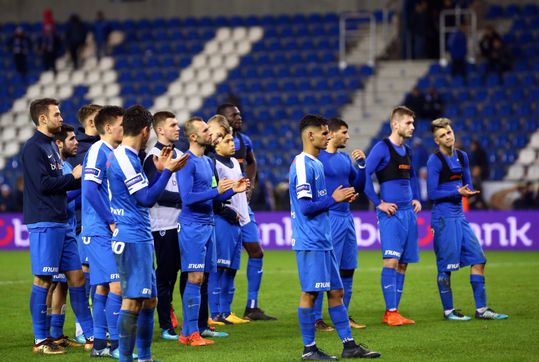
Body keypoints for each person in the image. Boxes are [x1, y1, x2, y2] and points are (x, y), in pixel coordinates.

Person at [289, 114, 380, 360]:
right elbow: (306, 207)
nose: (327, 136)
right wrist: (334, 199)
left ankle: (349, 345)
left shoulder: (317, 163)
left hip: (324, 238)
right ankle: (309, 349)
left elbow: (320, 202)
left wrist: (338, 197)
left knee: (336, 292)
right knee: (310, 293)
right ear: (310, 135)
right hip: (310, 240)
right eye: (324, 132)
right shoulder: (302, 164)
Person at [107, 105, 189, 361]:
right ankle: (127, 358)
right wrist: (167, 172)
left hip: (140, 236)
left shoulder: (127, 155)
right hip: (132, 238)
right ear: (145, 131)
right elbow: (146, 198)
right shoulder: (126, 159)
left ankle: (145, 356)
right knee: (132, 301)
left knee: (149, 300)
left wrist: (161, 171)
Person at [21, 98, 94, 354]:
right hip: (44, 220)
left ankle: (91, 336)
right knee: (43, 279)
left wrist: (81, 179)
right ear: (43, 118)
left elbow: (61, 184)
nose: (61, 118)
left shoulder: (51, 146)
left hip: (62, 222)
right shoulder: (33, 148)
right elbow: (43, 185)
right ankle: (41, 340)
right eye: (57, 114)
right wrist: (71, 177)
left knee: (76, 278)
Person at [177, 117, 248, 346]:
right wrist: (216, 191)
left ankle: (196, 329)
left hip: (209, 224)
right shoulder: (186, 162)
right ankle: (188, 333)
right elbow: (187, 198)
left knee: (204, 278)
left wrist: (231, 192)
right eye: (205, 130)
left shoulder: (207, 163)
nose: (211, 133)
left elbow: (214, 195)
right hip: (192, 226)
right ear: (194, 137)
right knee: (195, 277)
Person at [427, 118, 508, 320]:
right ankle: (449, 311)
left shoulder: (462, 157)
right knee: (446, 267)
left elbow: (468, 185)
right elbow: (432, 194)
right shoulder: (434, 160)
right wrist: (457, 192)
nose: (448, 136)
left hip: (459, 215)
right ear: (437, 141)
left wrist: (468, 192)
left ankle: (481, 309)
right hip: (443, 217)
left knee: (479, 259)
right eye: (443, 135)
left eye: (449, 132)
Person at [217, 103, 276, 321]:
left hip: (244, 206)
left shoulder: (244, 141)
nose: (239, 117)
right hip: (224, 209)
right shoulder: (215, 147)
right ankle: (221, 311)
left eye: (240, 114)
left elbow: (252, 162)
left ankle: (252, 306)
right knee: (224, 264)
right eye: (234, 115)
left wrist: (250, 182)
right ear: (222, 119)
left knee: (256, 252)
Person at [364, 106, 421, 326]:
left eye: (413, 123)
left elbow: (413, 176)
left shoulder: (407, 150)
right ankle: (390, 312)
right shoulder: (382, 148)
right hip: (392, 214)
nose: (413, 127)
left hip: (409, 213)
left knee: (404, 263)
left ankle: (394, 312)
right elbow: (364, 175)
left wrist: (416, 198)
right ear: (395, 124)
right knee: (391, 260)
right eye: (408, 123)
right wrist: (379, 203)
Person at [313, 118, 367, 332]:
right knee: (325, 271)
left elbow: (358, 187)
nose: (348, 136)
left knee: (348, 268)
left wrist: (361, 167)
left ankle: (342, 315)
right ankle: (317, 318)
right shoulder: (318, 159)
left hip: (347, 218)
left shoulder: (345, 159)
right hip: (330, 218)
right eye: (344, 132)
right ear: (332, 134)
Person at [81, 105, 125, 357]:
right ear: (108, 128)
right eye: (121, 125)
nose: (124, 129)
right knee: (117, 285)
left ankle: (99, 345)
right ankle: (117, 344)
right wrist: (110, 220)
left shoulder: (112, 151)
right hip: (99, 229)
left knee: (102, 287)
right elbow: (89, 189)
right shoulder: (99, 150)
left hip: (101, 227)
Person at [142, 111, 184, 341]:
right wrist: (183, 198)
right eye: (173, 125)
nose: (178, 128)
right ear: (160, 130)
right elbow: (152, 192)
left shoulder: (179, 153)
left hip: (179, 223)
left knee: (174, 271)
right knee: (165, 275)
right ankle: (166, 324)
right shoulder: (154, 156)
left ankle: (168, 311)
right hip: (162, 224)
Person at [66, 104, 102, 344]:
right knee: (85, 272)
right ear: (92, 123)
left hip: (100, 220)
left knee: (99, 274)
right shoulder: (79, 150)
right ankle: (83, 327)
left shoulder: (103, 147)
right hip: (82, 221)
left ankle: (98, 326)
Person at [209, 128, 252, 325]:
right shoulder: (213, 162)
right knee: (219, 268)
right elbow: (213, 194)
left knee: (232, 269)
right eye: (227, 140)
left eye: (233, 140)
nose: (232, 143)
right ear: (216, 144)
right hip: (224, 219)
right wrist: (226, 211)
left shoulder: (234, 161)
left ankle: (226, 311)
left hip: (239, 220)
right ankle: (214, 312)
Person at [48, 124, 85, 348]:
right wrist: (80, 183)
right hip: (55, 231)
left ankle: (57, 333)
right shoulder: (56, 168)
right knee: (49, 284)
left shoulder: (67, 165)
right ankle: (44, 335)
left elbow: (72, 198)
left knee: (62, 285)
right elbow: (60, 196)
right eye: (72, 139)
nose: (76, 143)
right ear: (59, 143)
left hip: (68, 229)